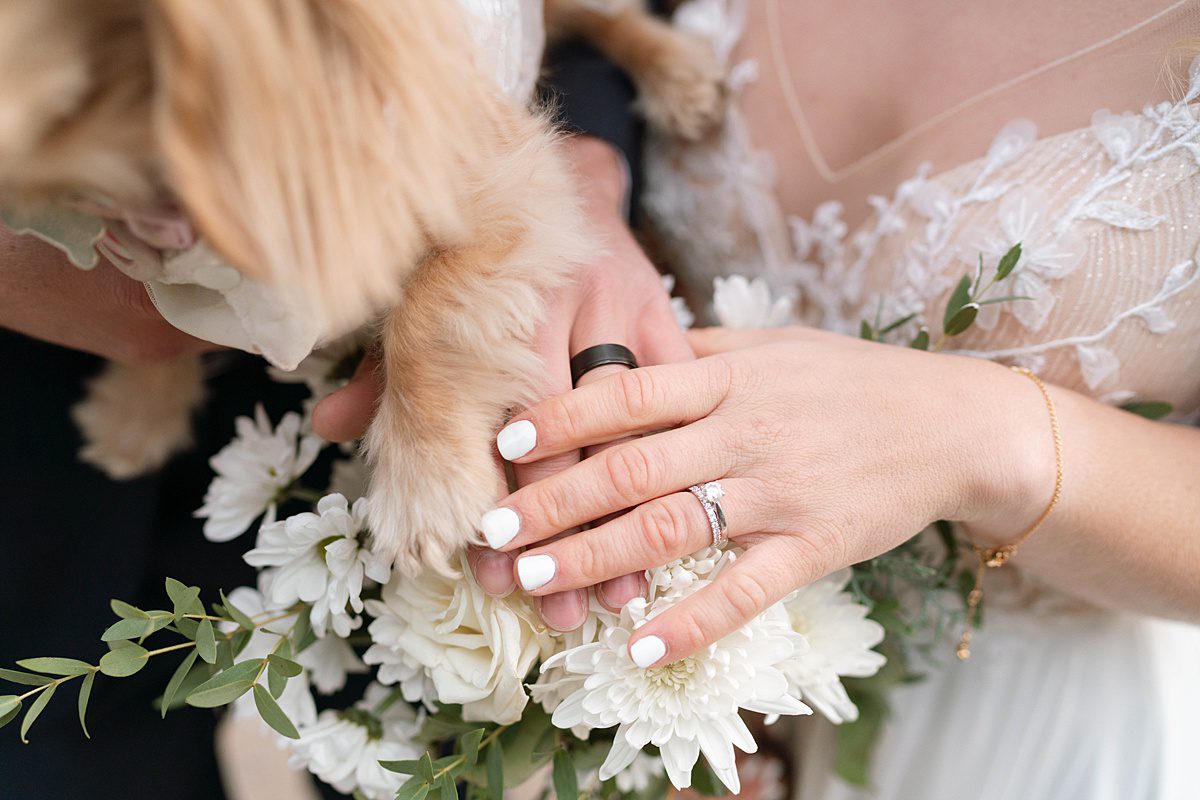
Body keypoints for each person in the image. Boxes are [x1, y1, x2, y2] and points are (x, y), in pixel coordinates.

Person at [317, 1, 1200, 797]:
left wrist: (985, 437)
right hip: (617, 700)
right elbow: (549, 29)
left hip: (1005, 741)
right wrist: (574, 180)